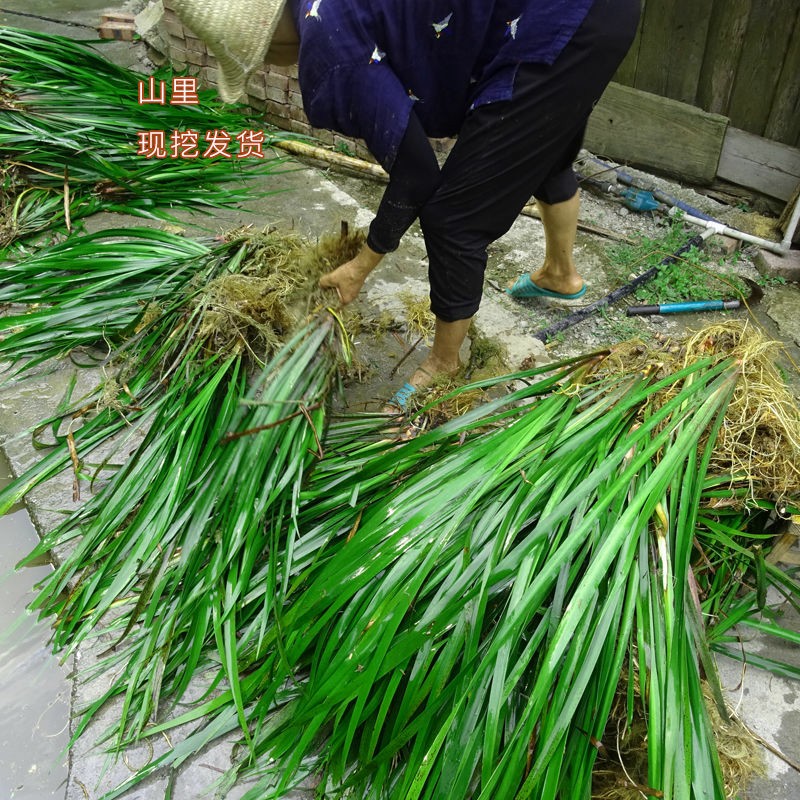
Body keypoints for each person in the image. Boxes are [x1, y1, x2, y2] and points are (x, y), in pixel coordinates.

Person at [173, 0, 641, 411]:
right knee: (538, 146)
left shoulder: (329, 41)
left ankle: (444, 364)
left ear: (273, 31)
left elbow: (418, 175)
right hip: (590, 13)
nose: (275, 64)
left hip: (564, 18)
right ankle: (560, 276)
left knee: (453, 217)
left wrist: (361, 263)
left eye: (263, 56)